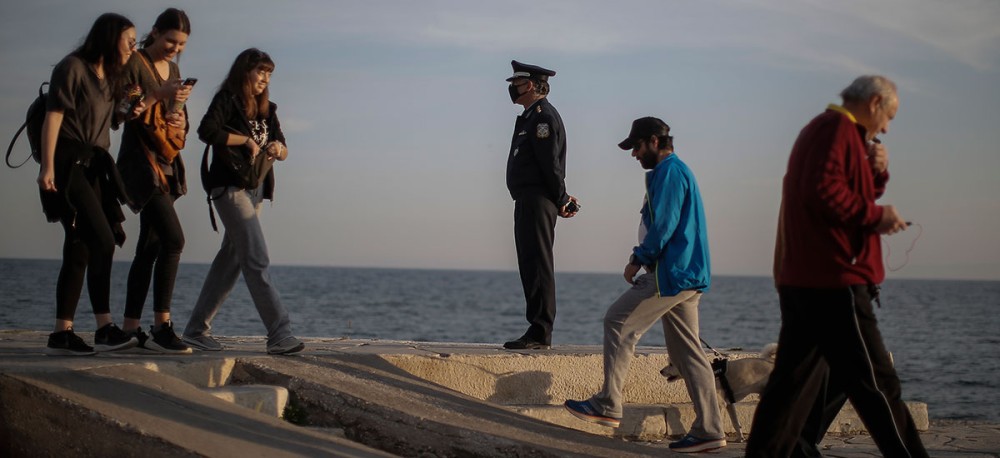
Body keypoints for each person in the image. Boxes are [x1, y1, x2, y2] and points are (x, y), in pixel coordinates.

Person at [745, 75, 929, 457]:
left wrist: (877, 171)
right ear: (875, 103)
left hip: (808, 281)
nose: (887, 128)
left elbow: (841, 191)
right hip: (835, 282)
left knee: (789, 391)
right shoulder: (836, 131)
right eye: (889, 116)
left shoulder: (829, 132)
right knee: (879, 386)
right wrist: (877, 216)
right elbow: (824, 192)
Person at [563, 117, 726, 453]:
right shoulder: (676, 171)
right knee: (688, 353)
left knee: (618, 321)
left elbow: (664, 223)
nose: (634, 154)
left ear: (654, 141)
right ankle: (710, 429)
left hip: (671, 274)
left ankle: (608, 404)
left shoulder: (669, 172)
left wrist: (638, 257)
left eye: (636, 147)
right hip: (687, 275)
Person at [181, 48, 304, 355]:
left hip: (257, 189)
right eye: (260, 72)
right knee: (256, 257)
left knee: (232, 259)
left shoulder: (268, 109)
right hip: (229, 187)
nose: (265, 79)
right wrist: (245, 140)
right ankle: (279, 333)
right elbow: (206, 130)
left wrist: (277, 148)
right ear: (245, 72)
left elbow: (286, 149)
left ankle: (196, 330)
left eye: (269, 74)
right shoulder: (227, 99)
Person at [37, 13, 141, 356]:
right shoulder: (72, 68)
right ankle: (104, 327)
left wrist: (130, 108)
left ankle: (61, 333)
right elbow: (53, 116)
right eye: (129, 40)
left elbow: (111, 122)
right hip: (67, 162)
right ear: (110, 38)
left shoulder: (109, 77)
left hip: (96, 165)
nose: (133, 47)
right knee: (103, 239)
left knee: (80, 245)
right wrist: (47, 167)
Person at [116, 8, 193, 354]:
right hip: (140, 163)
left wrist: (178, 112)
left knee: (149, 247)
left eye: (180, 45)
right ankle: (162, 326)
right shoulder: (135, 63)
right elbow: (126, 112)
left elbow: (172, 116)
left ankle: (131, 328)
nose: (174, 49)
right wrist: (158, 95)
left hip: (166, 160)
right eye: (170, 41)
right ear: (155, 33)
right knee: (174, 240)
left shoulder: (173, 69)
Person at [502, 60, 578, 350]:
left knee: (538, 263)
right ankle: (536, 328)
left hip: (538, 200)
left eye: (516, 83)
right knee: (529, 263)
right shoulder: (530, 117)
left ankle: (540, 330)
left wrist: (561, 199)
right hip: (527, 199)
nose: (512, 88)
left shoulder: (542, 117)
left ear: (530, 85)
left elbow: (550, 166)